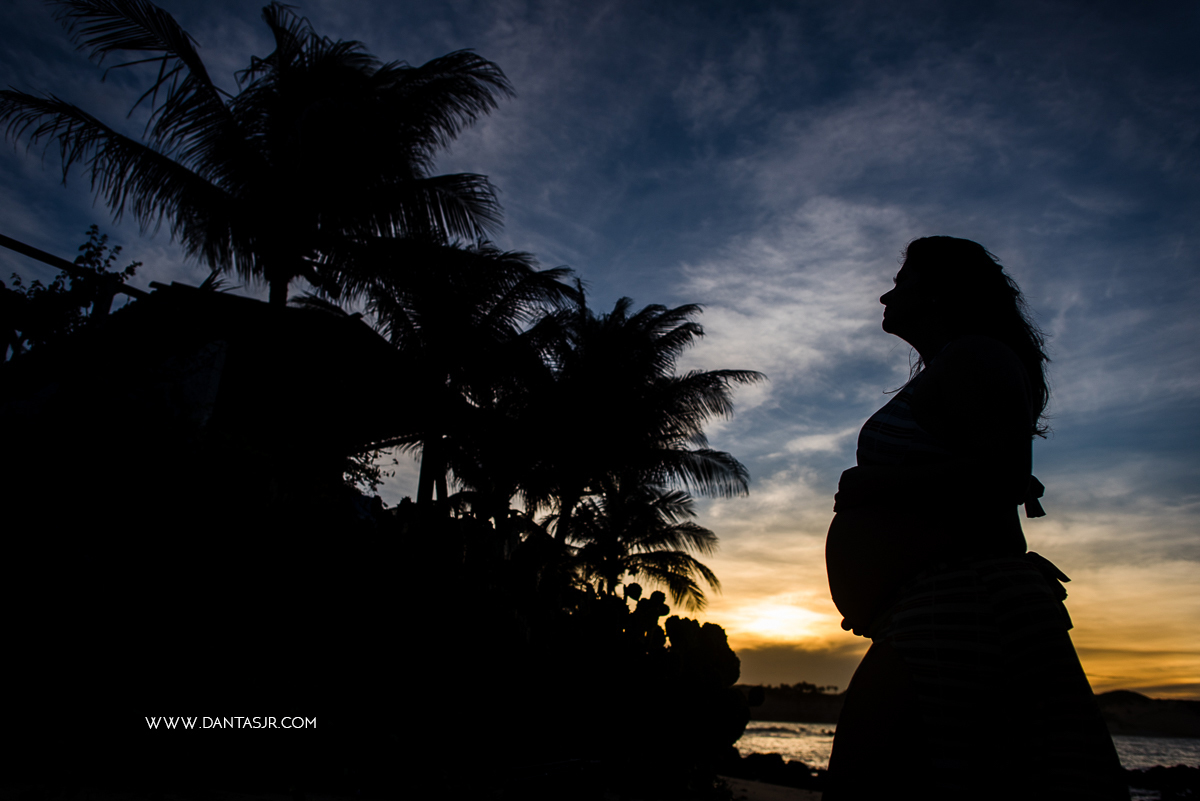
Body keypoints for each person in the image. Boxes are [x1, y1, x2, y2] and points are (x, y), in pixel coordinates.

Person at [823, 237, 1128, 800]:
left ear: (939, 293)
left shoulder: (977, 355)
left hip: (962, 602)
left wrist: (872, 483)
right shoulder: (957, 362)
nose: (887, 295)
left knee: (868, 782)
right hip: (936, 602)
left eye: (903, 281)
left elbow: (1002, 476)